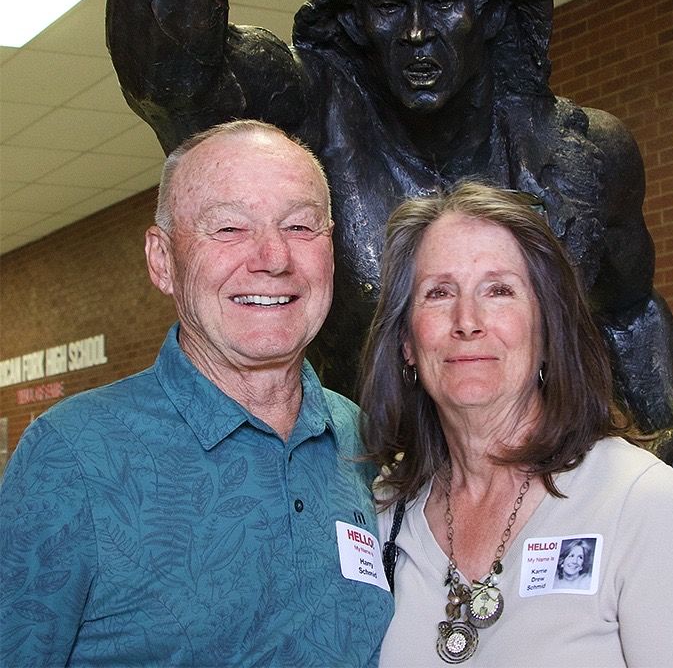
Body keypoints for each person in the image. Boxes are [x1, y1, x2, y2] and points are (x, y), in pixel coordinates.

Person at [106, 0, 673, 514]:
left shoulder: (582, 156)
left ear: (488, 11)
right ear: (356, 20)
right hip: (361, 505)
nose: (416, 32)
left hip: (539, 497)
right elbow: (169, 76)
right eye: (388, 5)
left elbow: (628, 309)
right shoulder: (312, 118)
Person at [0, 121, 393, 667]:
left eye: (300, 226)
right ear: (163, 260)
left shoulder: (357, 438)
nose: (273, 257)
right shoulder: (73, 456)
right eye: (229, 227)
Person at [359, 182, 673, 667]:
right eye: (439, 293)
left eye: (499, 290)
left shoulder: (639, 503)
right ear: (407, 342)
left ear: (546, 330)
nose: (467, 320)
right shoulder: (386, 512)